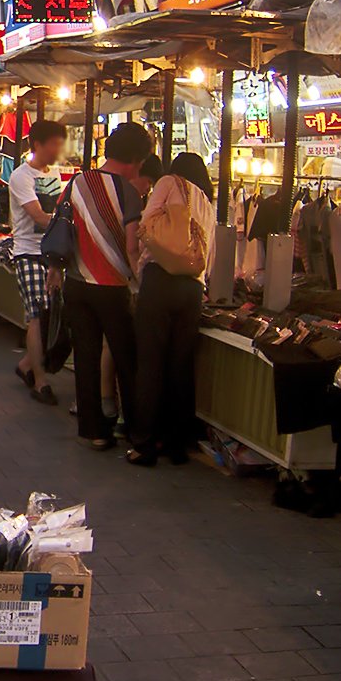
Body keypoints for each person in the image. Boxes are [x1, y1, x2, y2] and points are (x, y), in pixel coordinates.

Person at [57, 121, 152, 450]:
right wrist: (138, 278)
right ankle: (137, 434)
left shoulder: (77, 182)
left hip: (76, 283)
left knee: (86, 356)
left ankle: (94, 432)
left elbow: (60, 228)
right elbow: (133, 245)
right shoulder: (128, 191)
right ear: (136, 159)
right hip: (112, 287)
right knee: (127, 360)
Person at [128, 153, 217, 466]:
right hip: (192, 287)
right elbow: (210, 253)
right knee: (180, 366)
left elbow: (145, 226)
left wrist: (139, 268)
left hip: (160, 280)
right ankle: (177, 445)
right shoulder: (206, 201)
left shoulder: (168, 183)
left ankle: (145, 445)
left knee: (150, 364)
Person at [8, 121, 66, 406]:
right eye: (54, 143)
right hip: (28, 253)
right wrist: (70, 226)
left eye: (60, 143)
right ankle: (40, 380)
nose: (58, 149)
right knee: (37, 315)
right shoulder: (21, 176)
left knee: (51, 316)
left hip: (51, 255)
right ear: (37, 145)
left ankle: (26, 365)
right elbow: (40, 216)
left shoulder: (54, 174)